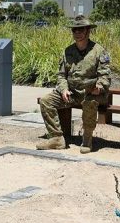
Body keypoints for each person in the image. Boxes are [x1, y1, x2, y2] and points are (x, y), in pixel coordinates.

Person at [36, 15, 111, 154]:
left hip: (91, 93)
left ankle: (87, 138)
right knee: (46, 101)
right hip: (72, 93)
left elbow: (105, 75)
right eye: (74, 30)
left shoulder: (98, 51)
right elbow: (61, 75)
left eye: (80, 29)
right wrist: (64, 89)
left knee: (89, 103)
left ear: (88, 31)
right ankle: (57, 138)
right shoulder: (68, 51)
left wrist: (99, 88)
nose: (77, 33)